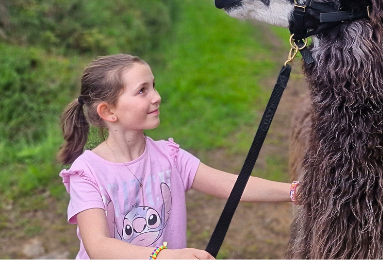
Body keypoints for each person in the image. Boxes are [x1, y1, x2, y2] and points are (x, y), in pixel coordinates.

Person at [57, 54, 300, 260]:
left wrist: (293, 191)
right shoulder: (87, 172)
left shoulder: (169, 157)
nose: (156, 96)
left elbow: (232, 185)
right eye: (142, 91)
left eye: (153, 85)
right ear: (108, 111)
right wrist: (164, 256)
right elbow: (98, 246)